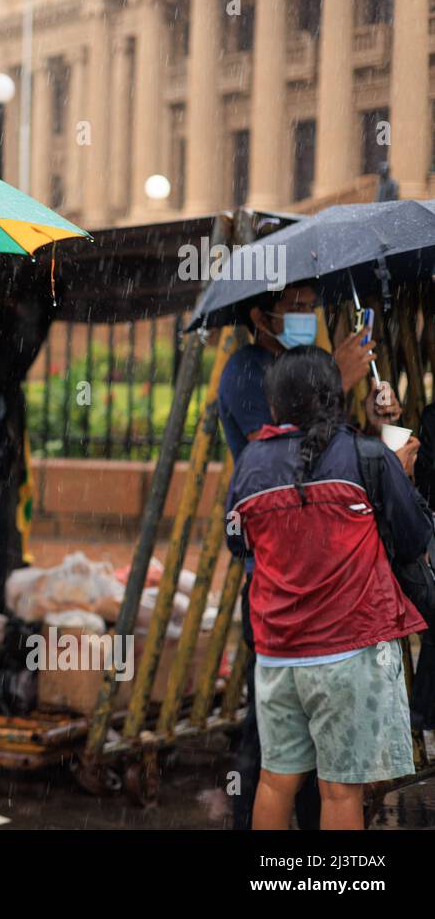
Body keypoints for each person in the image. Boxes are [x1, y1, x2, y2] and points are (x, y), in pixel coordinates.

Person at [217, 281, 402, 830]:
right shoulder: (248, 371)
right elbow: (287, 459)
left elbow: (335, 457)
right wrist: (336, 382)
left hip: (330, 586)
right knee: (276, 758)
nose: (307, 316)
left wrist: (369, 413)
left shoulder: (304, 369)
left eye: (309, 306)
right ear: (260, 315)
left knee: (311, 764)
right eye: (294, 308)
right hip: (282, 586)